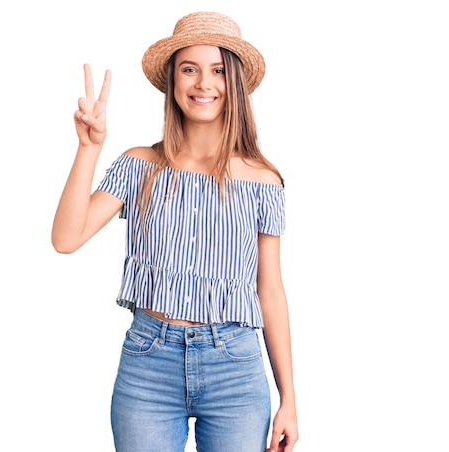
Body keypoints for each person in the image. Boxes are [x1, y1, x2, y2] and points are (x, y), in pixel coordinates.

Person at [52, 11, 298, 452]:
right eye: (190, 69)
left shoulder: (263, 182)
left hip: (236, 369)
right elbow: (66, 239)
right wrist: (89, 149)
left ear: (235, 83)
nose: (204, 83)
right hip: (149, 365)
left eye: (218, 70)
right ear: (172, 81)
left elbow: (271, 290)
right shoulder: (140, 165)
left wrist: (289, 399)